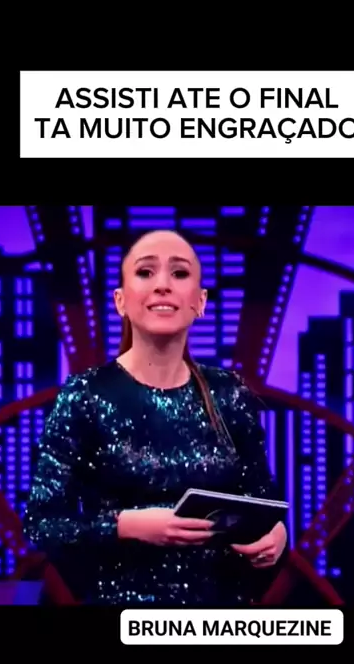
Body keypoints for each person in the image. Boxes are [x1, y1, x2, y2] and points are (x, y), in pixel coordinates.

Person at [22, 230, 288, 605]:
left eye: (179, 273)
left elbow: (264, 504)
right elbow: (43, 524)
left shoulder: (229, 394)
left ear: (200, 302)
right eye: (145, 272)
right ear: (120, 301)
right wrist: (125, 526)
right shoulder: (85, 395)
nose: (163, 285)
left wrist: (277, 536)